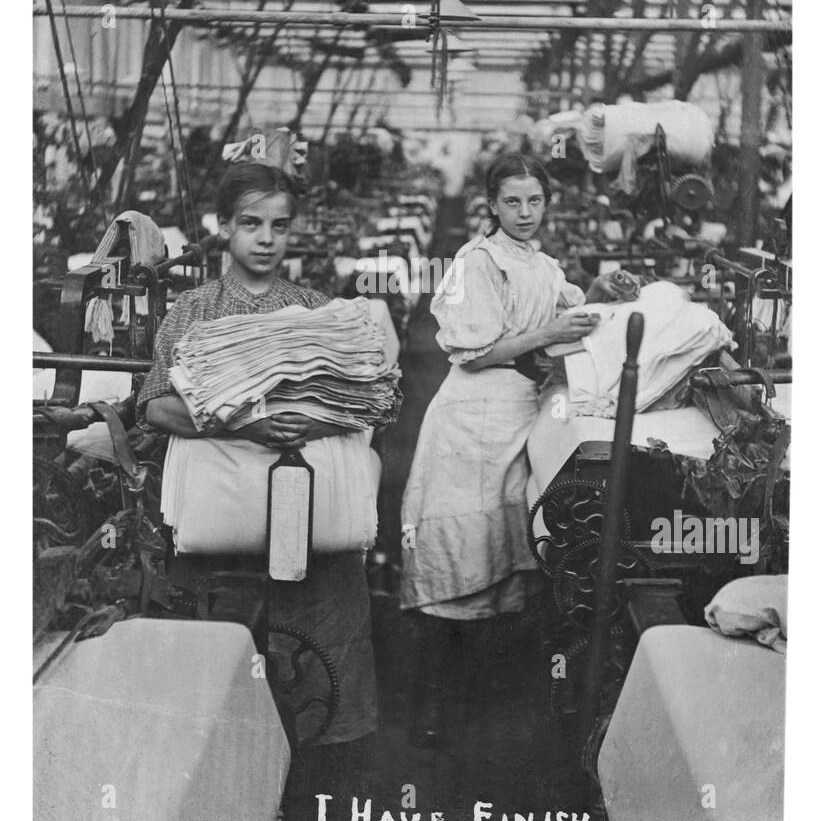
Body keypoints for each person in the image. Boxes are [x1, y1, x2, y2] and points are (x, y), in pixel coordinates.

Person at [137, 159, 378, 747]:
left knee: (324, 612)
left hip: (306, 504)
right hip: (222, 510)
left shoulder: (318, 310)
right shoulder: (194, 311)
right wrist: (244, 423)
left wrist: (313, 417)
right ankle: (217, 743)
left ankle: (326, 744)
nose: (266, 239)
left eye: (280, 225)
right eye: (251, 224)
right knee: (224, 645)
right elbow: (154, 407)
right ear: (225, 226)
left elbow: (363, 403)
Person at [400, 151, 637, 744]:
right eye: (512, 201)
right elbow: (475, 351)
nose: (525, 212)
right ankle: (431, 717)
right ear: (492, 204)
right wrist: (553, 332)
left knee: (502, 556)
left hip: (517, 417)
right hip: (470, 421)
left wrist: (602, 291)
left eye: (534, 201)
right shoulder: (474, 263)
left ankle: (480, 720)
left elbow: (567, 313)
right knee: (457, 556)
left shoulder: (543, 264)